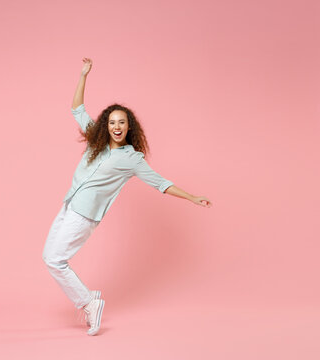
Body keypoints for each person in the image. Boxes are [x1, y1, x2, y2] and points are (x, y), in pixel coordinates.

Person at [42, 58, 213, 336]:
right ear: (106, 125)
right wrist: (83, 75)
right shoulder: (96, 140)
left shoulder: (132, 159)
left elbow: (161, 183)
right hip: (68, 205)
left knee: (56, 260)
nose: (116, 126)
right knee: (48, 256)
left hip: (84, 215)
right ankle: (88, 296)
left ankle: (88, 303)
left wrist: (192, 197)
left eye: (121, 122)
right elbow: (77, 108)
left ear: (128, 127)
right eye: (112, 122)